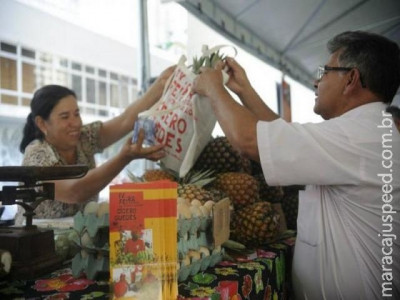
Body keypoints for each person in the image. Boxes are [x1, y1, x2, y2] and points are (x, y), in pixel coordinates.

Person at [192, 31, 399, 299]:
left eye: (325, 71)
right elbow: (284, 136)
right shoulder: (368, 129)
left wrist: (213, 88)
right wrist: (243, 89)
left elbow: (248, 139)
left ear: (351, 79)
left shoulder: (359, 135)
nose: (316, 81)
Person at [16, 66, 174, 223]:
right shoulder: (37, 154)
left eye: (77, 114)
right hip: (36, 243)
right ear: (42, 124)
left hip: (78, 238)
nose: (75, 123)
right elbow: (75, 191)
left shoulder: (84, 137)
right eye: (65, 117)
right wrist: (123, 158)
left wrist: (161, 83)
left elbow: (126, 120)